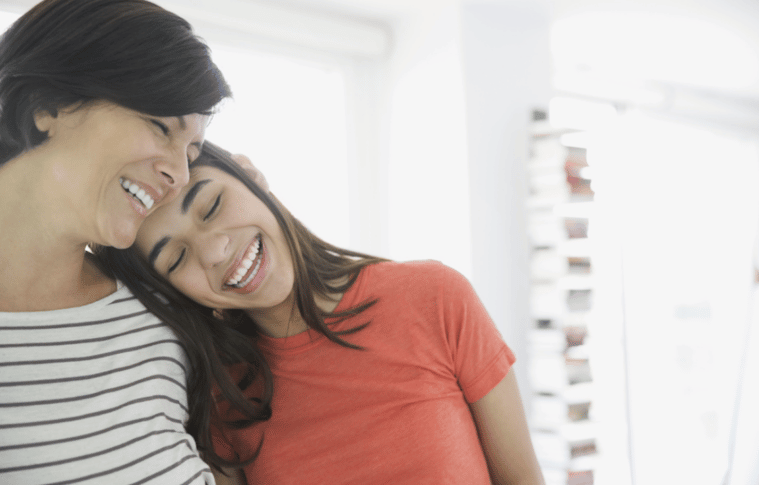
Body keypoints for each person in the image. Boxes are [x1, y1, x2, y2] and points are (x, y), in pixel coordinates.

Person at [97, 142, 546, 485]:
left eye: (211, 205)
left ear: (252, 177)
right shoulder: (221, 395)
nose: (215, 251)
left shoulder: (435, 296)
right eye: (176, 259)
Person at [0, 0, 231, 483]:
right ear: (48, 104)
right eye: (160, 126)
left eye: (192, 152)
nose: (179, 174)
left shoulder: (164, 304)